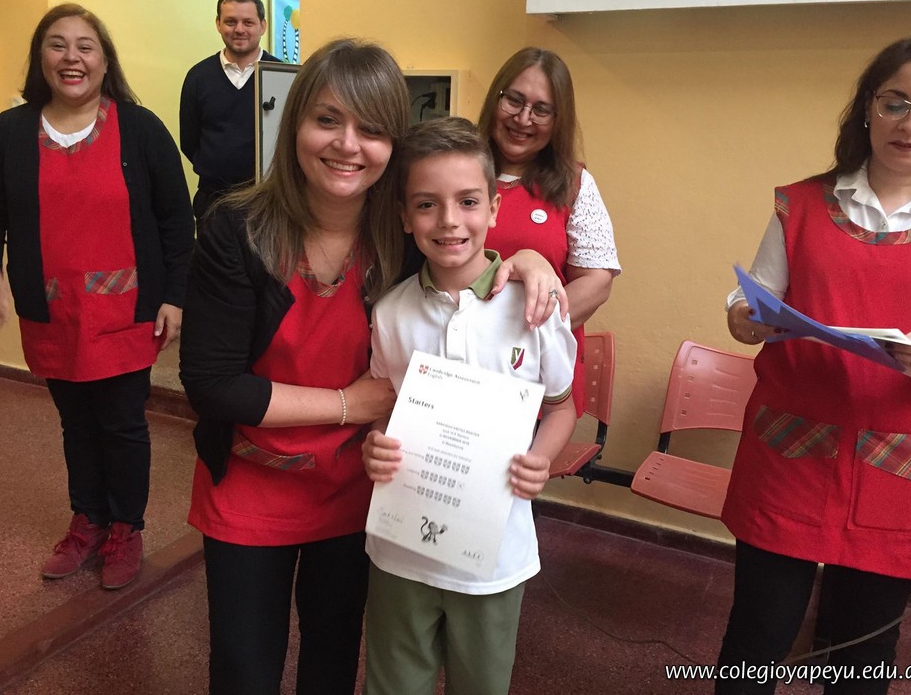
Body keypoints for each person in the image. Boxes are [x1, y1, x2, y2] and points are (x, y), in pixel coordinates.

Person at [179, 40, 566, 695]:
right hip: (251, 482)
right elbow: (213, 385)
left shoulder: (401, 238)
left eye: (372, 129)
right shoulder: (236, 231)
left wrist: (527, 260)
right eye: (327, 120)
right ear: (294, 123)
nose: (348, 145)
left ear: (393, 145)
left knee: (333, 660)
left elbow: (465, 246)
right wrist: (349, 404)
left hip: (359, 485)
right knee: (244, 669)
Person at [718, 33, 911, 694]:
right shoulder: (802, 204)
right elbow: (752, 302)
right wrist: (745, 318)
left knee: (862, 657)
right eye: (896, 102)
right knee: (756, 638)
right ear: (868, 108)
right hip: (791, 452)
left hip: (900, 466)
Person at [0, 3, 194, 590]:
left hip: (125, 311)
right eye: (58, 44)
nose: (72, 58)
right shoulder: (10, 132)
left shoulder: (140, 129)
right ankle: (88, 519)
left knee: (122, 423)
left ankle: (126, 528)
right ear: (40, 58)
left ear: (104, 60)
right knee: (76, 424)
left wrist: (175, 294)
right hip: (51, 312)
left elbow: (176, 219)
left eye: (85, 46)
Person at [360, 116, 577, 695]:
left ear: (494, 209)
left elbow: (562, 407)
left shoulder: (535, 307)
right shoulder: (390, 313)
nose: (449, 220)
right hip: (400, 551)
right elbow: (385, 405)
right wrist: (375, 444)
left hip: (494, 557)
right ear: (405, 216)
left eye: (468, 201)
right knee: (393, 683)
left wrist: (542, 459)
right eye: (426, 205)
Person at [478, 47, 621, 415]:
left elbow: (597, 282)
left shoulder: (575, 184)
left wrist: (523, 333)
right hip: (454, 362)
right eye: (514, 100)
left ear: (559, 120)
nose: (523, 118)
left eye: (541, 110)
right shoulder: (457, 166)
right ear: (495, 98)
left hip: (535, 373)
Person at [180, 0, 282, 221]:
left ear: (262, 26)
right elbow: (189, 141)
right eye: (230, 22)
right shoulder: (198, 77)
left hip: (268, 201)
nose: (239, 29)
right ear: (218, 24)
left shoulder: (282, 76)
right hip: (213, 202)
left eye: (248, 22)